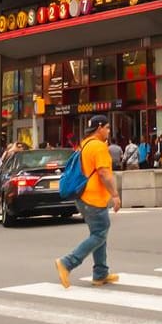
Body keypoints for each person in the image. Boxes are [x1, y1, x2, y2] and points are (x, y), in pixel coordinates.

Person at [55, 113, 121, 288]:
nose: (108, 131)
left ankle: (100, 273)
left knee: (99, 234)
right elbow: (104, 173)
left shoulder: (85, 145)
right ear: (99, 128)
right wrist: (115, 195)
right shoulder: (98, 147)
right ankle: (67, 263)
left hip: (83, 196)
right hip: (93, 198)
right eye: (107, 127)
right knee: (100, 233)